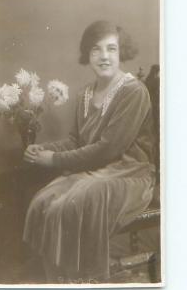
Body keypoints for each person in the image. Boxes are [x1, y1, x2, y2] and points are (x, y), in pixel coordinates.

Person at [23, 20, 156, 283]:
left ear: (122, 53)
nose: (104, 56)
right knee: (43, 202)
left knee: (72, 204)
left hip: (128, 173)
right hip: (94, 171)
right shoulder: (85, 93)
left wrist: (55, 160)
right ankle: (59, 278)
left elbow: (108, 149)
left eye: (111, 49)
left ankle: (83, 279)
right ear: (88, 54)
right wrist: (44, 150)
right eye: (96, 49)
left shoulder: (133, 91)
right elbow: (76, 141)